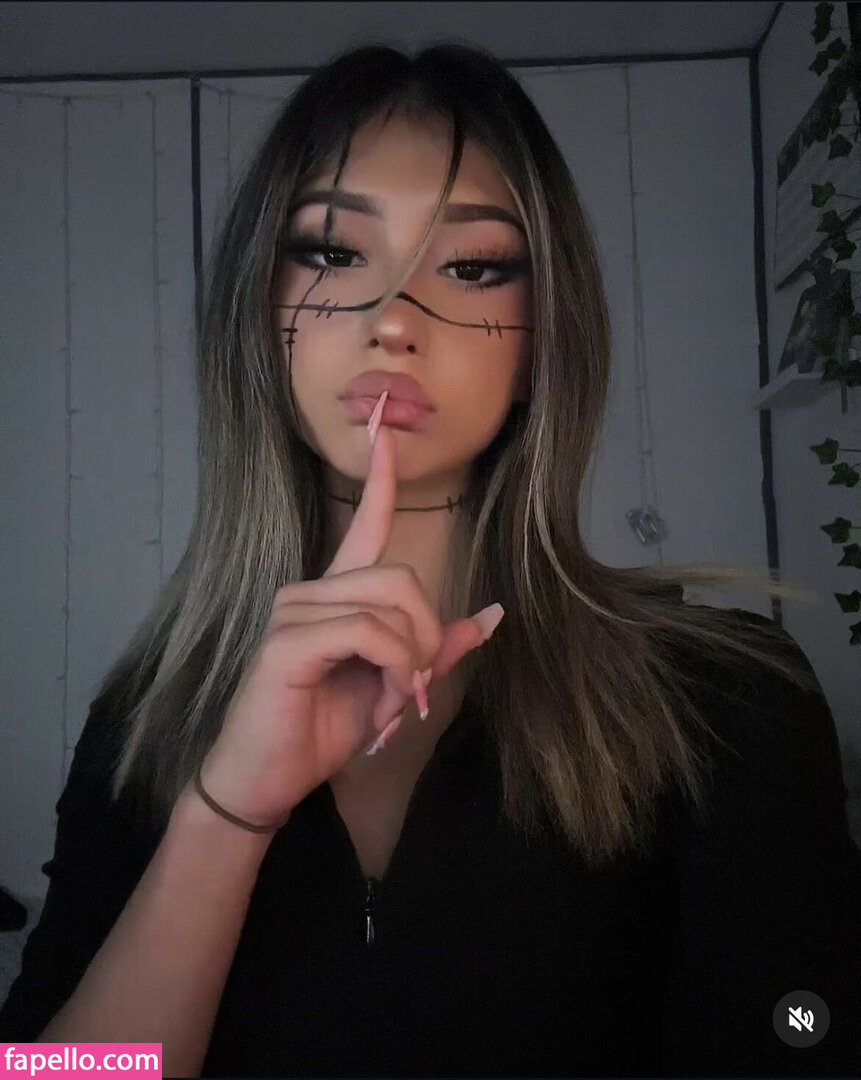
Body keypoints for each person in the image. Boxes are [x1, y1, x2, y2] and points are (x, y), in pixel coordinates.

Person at [1, 41, 859, 1079]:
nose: (394, 320)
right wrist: (228, 811)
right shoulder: (144, 718)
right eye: (331, 252)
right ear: (258, 319)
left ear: (540, 341)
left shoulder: (731, 696)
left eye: (473, 266)